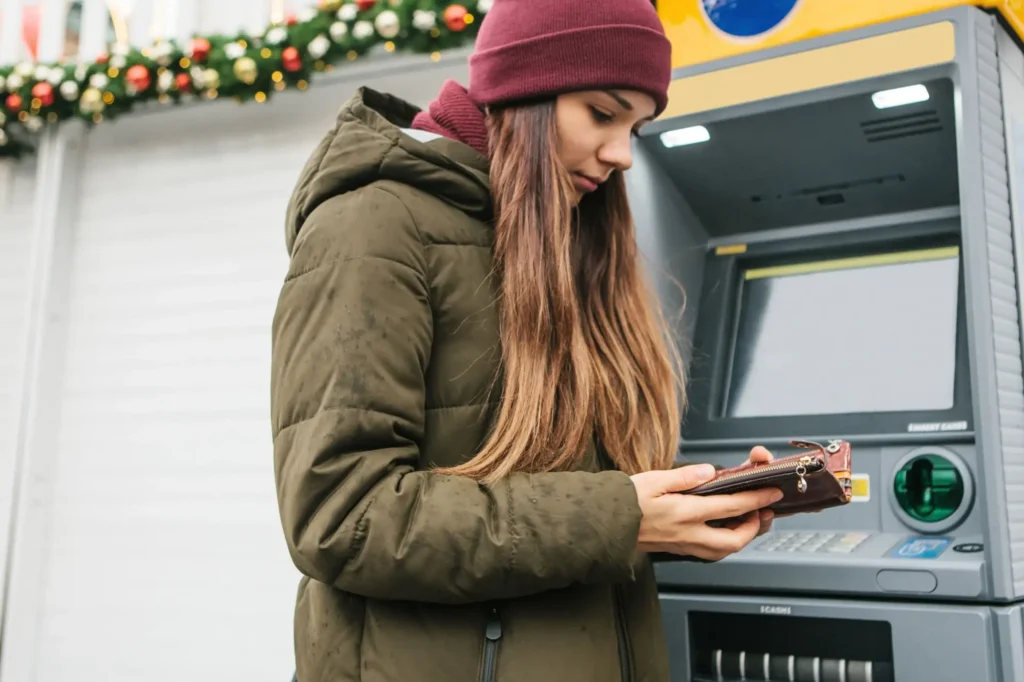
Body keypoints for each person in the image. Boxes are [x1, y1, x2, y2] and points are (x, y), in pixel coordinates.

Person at [270, 1, 782, 680]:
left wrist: (680, 516)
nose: (622, 154)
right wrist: (620, 519)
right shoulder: (371, 226)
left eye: (637, 125)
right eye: (603, 113)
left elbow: (563, 504)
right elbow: (341, 515)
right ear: (524, 90)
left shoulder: (556, 234)